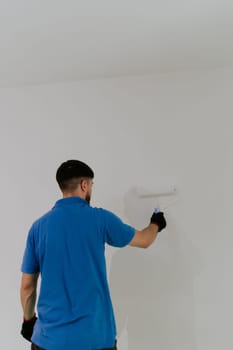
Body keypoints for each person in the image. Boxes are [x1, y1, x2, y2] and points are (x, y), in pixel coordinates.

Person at [20, 160, 167, 350]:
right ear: (84, 184)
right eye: (91, 185)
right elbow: (145, 240)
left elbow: (27, 286)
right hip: (94, 341)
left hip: (48, 341)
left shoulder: (38, 228)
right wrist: (156, 223)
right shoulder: (100, 219)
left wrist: (28, 319)